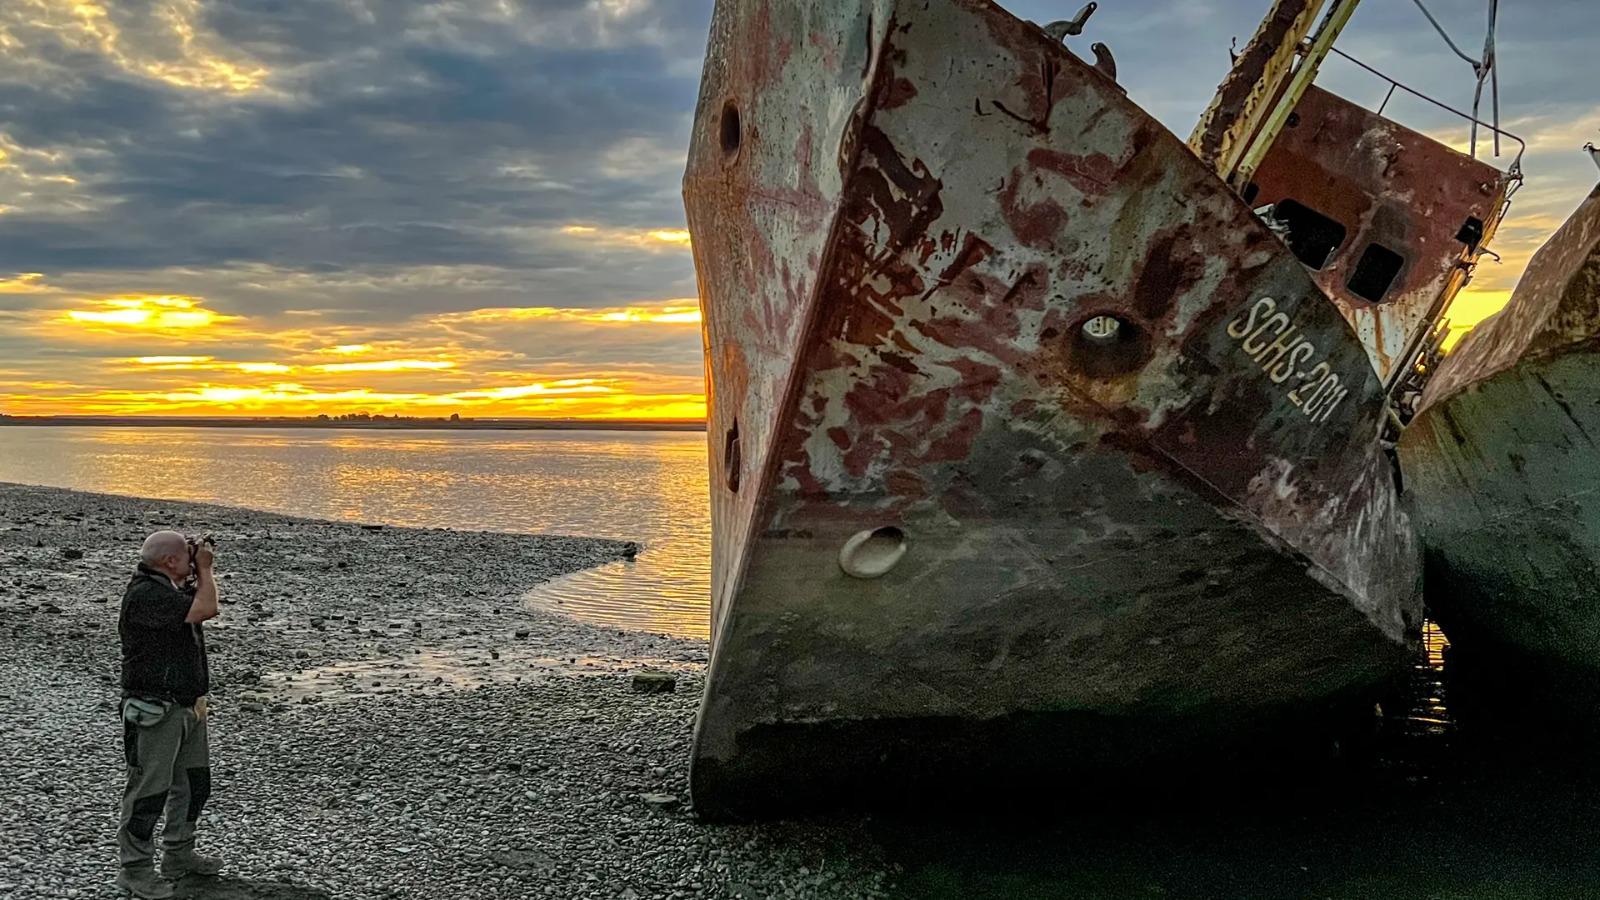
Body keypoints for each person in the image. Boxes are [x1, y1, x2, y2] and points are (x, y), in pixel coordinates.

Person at [115, 530, 223, 899]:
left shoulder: (169, 589)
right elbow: (207, 608)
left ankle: (178, 855)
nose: (194, 560)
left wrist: (195, 569)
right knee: (148, 794)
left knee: (194, 786)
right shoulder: (146, 595)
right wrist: (205, 570)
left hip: (187, 705)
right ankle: (135, 871)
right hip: (154, 710)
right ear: (169, 561)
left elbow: (198, 606)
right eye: (187, 556)